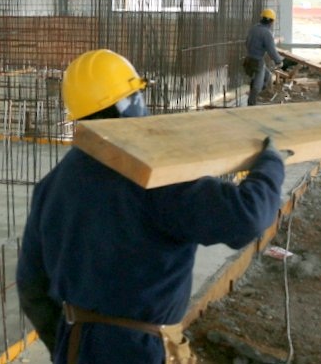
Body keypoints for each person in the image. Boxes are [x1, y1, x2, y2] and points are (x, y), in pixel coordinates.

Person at [16, 48, 286, 364]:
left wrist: (66, 346)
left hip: (76, 347)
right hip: (139, 351)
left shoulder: (52, 186)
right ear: (126, 105)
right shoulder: (155, 176)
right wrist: (271, 164)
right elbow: (247, 218)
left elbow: (31, 288)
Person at [243, 8, 283, 106]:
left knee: (268, 76)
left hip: (249, 59)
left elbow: (247, 42)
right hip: (257, 61)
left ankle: (259, 94)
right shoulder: (266, 33)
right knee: (258, 85)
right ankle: (251, 104)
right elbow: (271, 50)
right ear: (272, 21)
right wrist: (279, 61)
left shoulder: (254, 28)